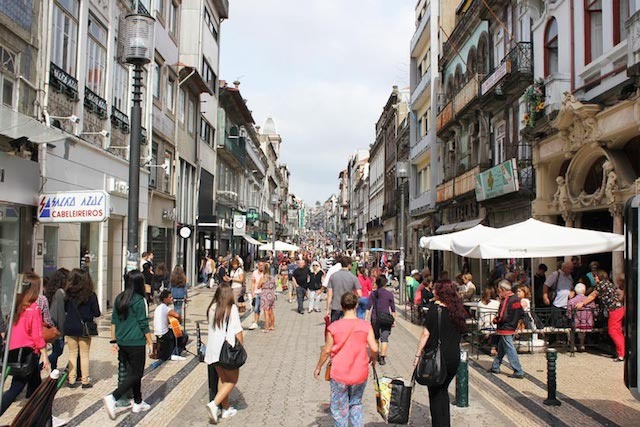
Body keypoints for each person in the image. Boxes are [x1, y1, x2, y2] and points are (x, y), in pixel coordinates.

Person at [314, 292, 378, 427]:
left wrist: (318, 367)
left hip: (339, 374)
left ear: (342, 307)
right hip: (360, 372)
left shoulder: (334, 327)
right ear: (356, 306)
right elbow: (374, 348)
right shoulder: (365, 326)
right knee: (356, 403)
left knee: (339, 408)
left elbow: (326, 350)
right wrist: (373, 359)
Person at [413, 280, 467, 427]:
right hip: (453, 357)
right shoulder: (458, 310)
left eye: (436, 290)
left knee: (435, 393)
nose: (433, 292)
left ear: (441, 292)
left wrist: (417, 356)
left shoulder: (434, 309)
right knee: (442, 390)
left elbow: (425, 334)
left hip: (436, 357)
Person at [103, 270, 154, 419]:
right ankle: (113, 397)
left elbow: (114, 320)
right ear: (139, 283)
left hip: (122, 341)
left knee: (132, 373)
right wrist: (150, 342)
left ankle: (138, 402)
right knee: (137, 373)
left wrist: (114, 340)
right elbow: (143, 323)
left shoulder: (119, 298)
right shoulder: (140, 300)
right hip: (136, 342)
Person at [1, 276, 49, 416]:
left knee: (35, 386)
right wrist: (45, 355)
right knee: (16, 387)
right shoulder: (34, 308)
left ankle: (41, 416)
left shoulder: (17, 305)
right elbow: (37, 334)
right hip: (28, 353)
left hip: (14, 351)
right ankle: (42, 415)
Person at [205, 285, 244, 423]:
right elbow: (237, 331)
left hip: (213, 351)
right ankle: (214, 404)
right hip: (227, 350)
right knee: (232, 380)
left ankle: (226, 410)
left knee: (223, 379)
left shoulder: (212, 308)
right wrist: (241, 349)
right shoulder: (231, 308)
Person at [576, 270, 625, 361]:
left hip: (614, 310)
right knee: (617, 331)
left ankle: (621, 354)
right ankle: (622, 352)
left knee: (613, 331)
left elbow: (592, 296)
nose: (594, 278)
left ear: (599, 277)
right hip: (619, 309)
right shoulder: (608, 283)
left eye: (595, 276)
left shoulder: (601, 285)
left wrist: (582, 303)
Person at [64, 268, 101, 388]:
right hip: (84, 328)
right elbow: (97, 313)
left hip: (70, 327)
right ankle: (85, 381)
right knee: (84, 354)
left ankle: (71, 380)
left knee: (72, 353)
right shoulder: (91, 295)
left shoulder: (68, 294)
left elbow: (65, 310)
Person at [488, 280, 525, 379]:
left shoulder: (507, 300)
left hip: (505, 327)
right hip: (512, 326)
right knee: (502, 347)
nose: (498, 292)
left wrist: (496, 320)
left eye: (499, 290)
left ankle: (518, 370)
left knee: (509, 348)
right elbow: (521, 313)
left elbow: (502, 315)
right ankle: (495, 366)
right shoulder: (516, 299)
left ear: (503, 289)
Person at [368, 275, 395, 366]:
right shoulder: (389, 294)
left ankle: (375, 355)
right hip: (386, 319)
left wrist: (366, 319)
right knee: (384, 338)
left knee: (376, 337)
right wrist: (393, 320)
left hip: (375, 318)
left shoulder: (373, 293)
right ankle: (382, 357)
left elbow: (368, 307)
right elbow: (393, 309)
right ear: (385, 283)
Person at [45, 268, 70, 369]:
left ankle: (53, 371)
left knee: (56, 351)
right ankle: (41, 366)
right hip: (57, 327)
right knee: (58, 351)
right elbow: (60, 314)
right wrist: (62, 331)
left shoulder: (52, 292)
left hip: (52, 325)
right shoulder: (60, 293)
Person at [153, 290, 188, 361]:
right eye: (170, 297)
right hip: (164, 333)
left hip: (157, 333)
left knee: (174, 332)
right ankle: (175, 353)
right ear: (165, 299)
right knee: (183, 336)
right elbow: (177, 315)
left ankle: (170, 350)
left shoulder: (158, 307)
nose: (172, 298)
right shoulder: (165, 308)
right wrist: (180, 321)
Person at [326, 256, 362, 323]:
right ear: (348, 265)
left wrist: (328, 309)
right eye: (351, 264)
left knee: (335, 328)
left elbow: (329, 295)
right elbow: (360, 294)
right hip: (348, 307)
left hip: (335, 306)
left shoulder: (333, 276)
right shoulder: (353, 277)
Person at [567, 283, 596, 352]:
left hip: (576, 324)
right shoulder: (590, 301)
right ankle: (581, 344)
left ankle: (573, 344)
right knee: (582, 323)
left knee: (571, 323)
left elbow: (569, 314)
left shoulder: (571, 301)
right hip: (588, 324)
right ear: (584, 290)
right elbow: (595, 313)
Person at [249, 260, 265, 330]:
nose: (261, 267)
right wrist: (252, 293)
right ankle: (255, 322)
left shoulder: (265, 273)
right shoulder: (255, 273)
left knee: (266, 309)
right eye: (260, 265)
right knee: (256, 308)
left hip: (264, 293)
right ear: (258, 266)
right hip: (257, 292)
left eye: (263, 265)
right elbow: (252, 283)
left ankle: (267, 322)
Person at [260, 265, 276, 332]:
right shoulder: (272, 277)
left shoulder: (263, 277)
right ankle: (272, 325)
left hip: (265, 294)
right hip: (271, 294)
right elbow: (275, 285)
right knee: (271, 310)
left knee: (266, 311)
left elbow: (258, 286)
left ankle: (266, 328)